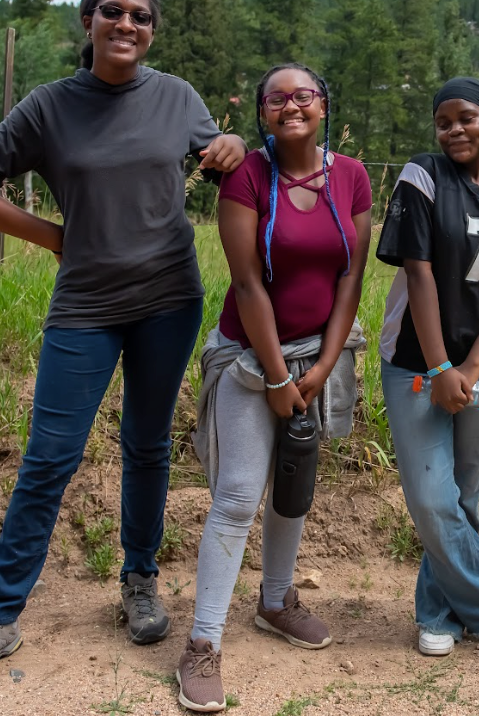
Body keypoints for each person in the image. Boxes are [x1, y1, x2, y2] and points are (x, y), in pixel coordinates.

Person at [0, 0, 246, 686]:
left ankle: (138, 580)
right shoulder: (50, 106)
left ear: (151, 30)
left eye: (141, 16)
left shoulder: (176, 97)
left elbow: (220, 156)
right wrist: (54, 236)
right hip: (84, 305)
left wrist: (229, 140)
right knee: (50, 456)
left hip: (169, 299)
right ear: (88, 21)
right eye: (113, 11)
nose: (126, 24)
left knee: (146, 446)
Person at [182, 63, 372, 712]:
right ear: (263, 111)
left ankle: (274, 600)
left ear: (323, 104)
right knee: (237, 495)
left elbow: (351, 280)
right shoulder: (245, 177)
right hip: (247, 355)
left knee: (293, 486)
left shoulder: (351, 176)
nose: (291, 105)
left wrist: (317, 370)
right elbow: (246, 284)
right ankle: (203, 641)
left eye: (304, 95)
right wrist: (275, 374)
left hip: (316, 356)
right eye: (276, 98)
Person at [376, 77, 479, 657]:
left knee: (462, 492)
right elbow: (418, 273)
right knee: (430, 497)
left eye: (467, 118)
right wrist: (443, 366)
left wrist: (471, 367)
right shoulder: (421, 176)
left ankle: (439, 615)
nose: (454, 130)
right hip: (414, 362)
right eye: (443, 121)